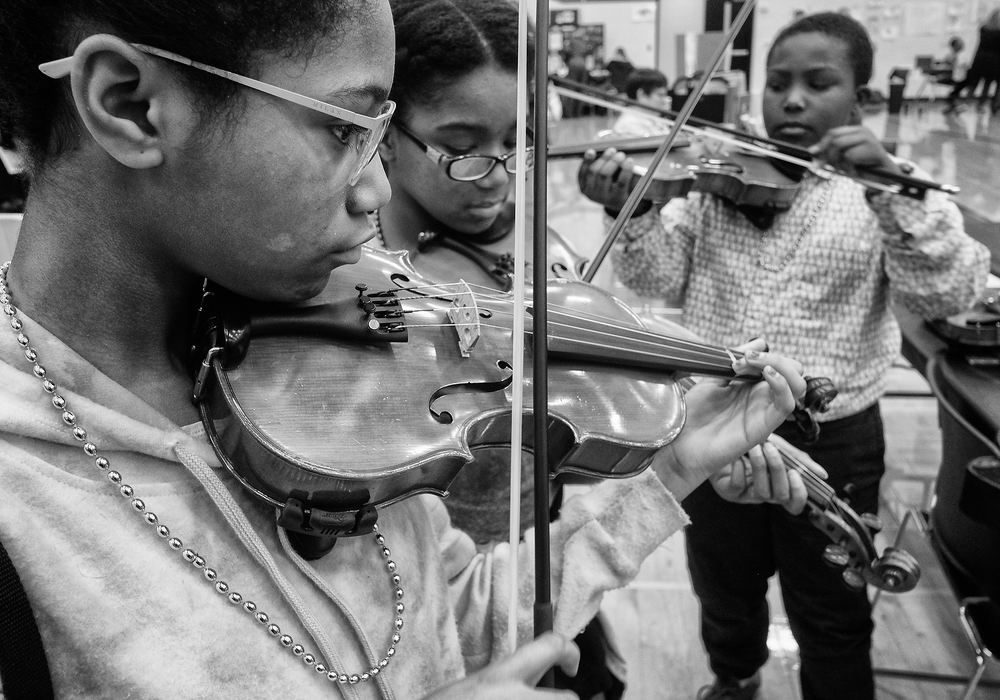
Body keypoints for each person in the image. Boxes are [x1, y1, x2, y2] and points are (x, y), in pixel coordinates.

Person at [0, 1, 815, 698]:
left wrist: (668, 474)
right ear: (131, 105)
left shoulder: (337, 355)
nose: (378, 190)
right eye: (340, 128)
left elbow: (442, 624)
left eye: (379, 133)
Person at [376, 1, 820, 697]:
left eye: (517, 142)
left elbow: (572, 430)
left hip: (545, 569)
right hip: (429, 612)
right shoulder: (351, 286)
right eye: (461, 148)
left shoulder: (533, 247)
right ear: (386, 130)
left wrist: (672, 445)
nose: (497, 177)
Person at [578, 11, 991, 700]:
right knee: (722, 582)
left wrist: (891, 190)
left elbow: (948, 291)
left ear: (858, 94)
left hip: (834, 436)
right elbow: (655, 279)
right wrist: (638, 210)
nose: (792, 100)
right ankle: (734, 677)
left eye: (818, 83)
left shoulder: (889, 191)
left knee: (831, 603)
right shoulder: (719, 176)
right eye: (778, 84)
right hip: (714, 426)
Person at [945, 9, 1000, 113]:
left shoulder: (984, 29)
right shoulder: (995, 33)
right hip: (992, 62)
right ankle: (979, 105)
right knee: (985, 85)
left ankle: (966, 103)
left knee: (975, 84)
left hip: (981, 61)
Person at [610, 67, 670, 137]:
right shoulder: (630, 123)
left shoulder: (655, 118)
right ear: (642, 94)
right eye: (660, 95)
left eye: (665, 95)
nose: (665, 100)